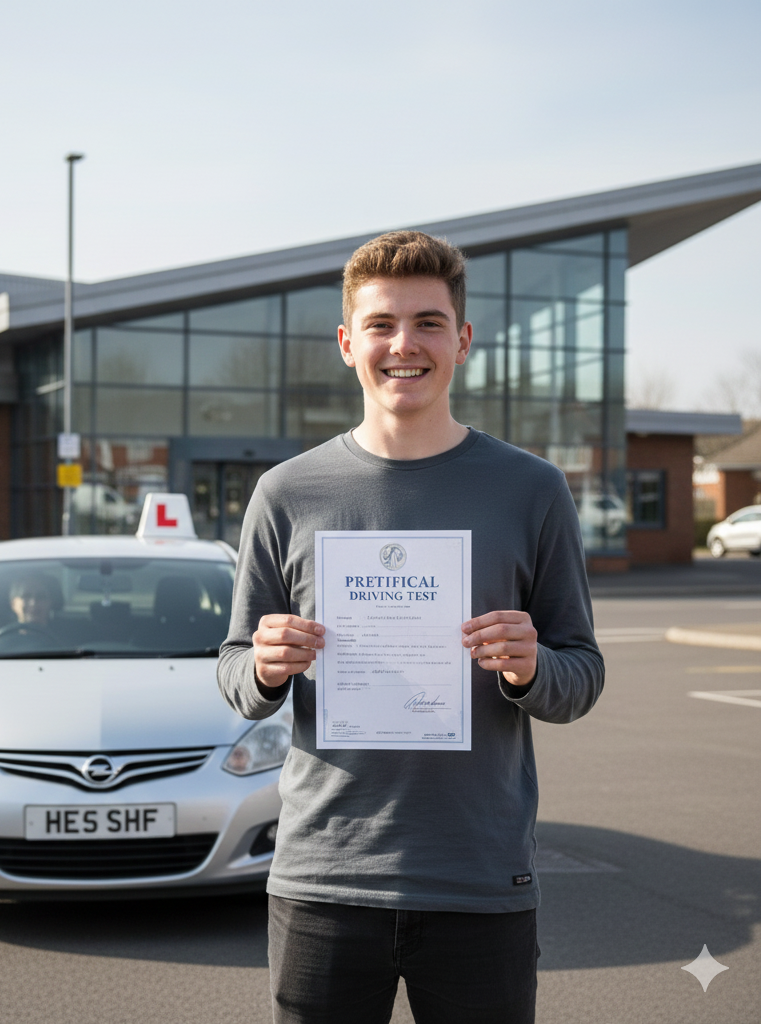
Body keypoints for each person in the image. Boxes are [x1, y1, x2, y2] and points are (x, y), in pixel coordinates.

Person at [217, 231, 605, 1024]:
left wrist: (532, 667)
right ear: (347, 343)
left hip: (478, 879)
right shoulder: (286, 493)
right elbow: (232, 673)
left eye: (429, 322)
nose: (404, 345)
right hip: (324, 879)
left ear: (462, 341)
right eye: (381, 324)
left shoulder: (531, 490)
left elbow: (582, 674)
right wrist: (262, 666)